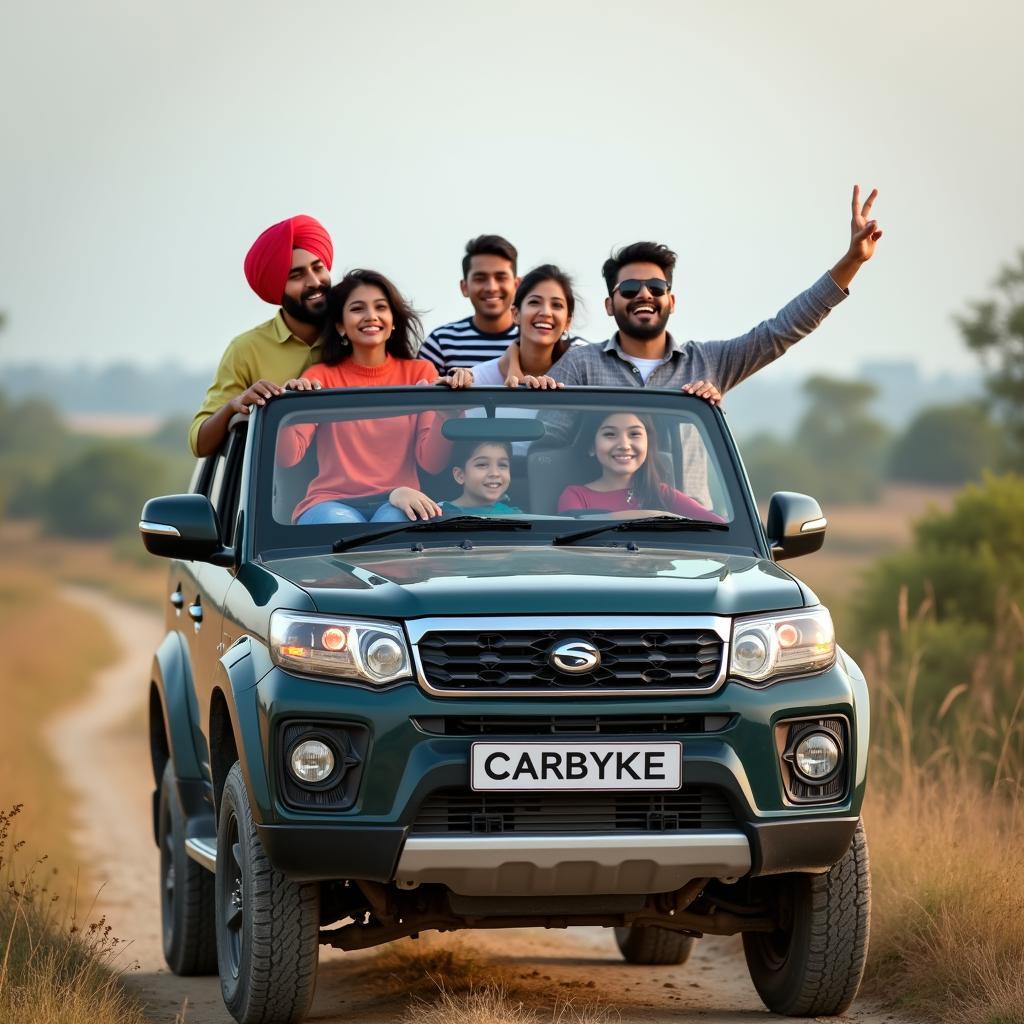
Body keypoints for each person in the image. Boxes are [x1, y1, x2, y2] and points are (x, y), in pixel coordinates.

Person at [548, 186, 883, 400]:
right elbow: (540, 438)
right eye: (630, 288)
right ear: (610, 304)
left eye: (656, 287)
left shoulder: (708, 364)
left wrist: (851, 261)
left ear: (672, 301)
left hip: (691, 515)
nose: (644, 295)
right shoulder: (580, 366)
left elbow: (782, 331)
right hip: (599, 513)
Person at [276, 269, 473, 524]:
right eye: (357, 309)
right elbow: (288, 457)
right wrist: (288, 404)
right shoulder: (320, 376)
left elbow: (431, 463)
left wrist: (448, 412)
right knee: (340, 526)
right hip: (329, 503)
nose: (371, 316)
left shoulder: (419, 373)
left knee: (396, 524)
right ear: (340, 326)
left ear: (392, 322)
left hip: (400, 498)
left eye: (381, 307)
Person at [189, 215, 334, 458]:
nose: (314, 281)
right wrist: (234, 406)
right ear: (276, 286)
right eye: (296, 275)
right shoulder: (246, 349)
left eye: (318, 268)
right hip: (271, 493)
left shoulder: (357, 337)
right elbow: (200, 443)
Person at [556, 411, 722, 521]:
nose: (624, 445)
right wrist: (659, 517)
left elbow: (718, 526)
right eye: (610, 434)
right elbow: (572, 535)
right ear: (592, 446)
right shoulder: (575, 495)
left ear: (648, 445)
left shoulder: (662, 493)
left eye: (634, 434)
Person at [420, 234, 522, 375]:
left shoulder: (532, 341)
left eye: (501, 277)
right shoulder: (440, 343)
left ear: (517, 285)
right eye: (480, 278)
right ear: (464, 287)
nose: (491, 287)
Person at [440, 440, 523, 516]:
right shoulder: (439, 514)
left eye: (502, 465)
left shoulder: (515, 515)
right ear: (460, 475)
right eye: (482, 465)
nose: (495, 473)